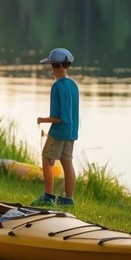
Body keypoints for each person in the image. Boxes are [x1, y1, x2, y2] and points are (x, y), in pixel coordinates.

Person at [32, 47, 80, 208]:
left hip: (59, 131)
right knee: (67, 162)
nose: (51, 69)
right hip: (71, 131)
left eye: (52, 65)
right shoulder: (73, 85)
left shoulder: (57, 86)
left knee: (47, 158)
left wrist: (42, 119)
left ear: (58, 66)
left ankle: (48, 196)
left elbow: (57, 117)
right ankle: (69, 199)